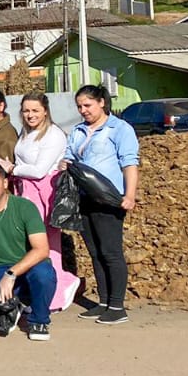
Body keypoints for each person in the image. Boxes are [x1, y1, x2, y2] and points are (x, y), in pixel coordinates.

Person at [0, 93, 80, 311]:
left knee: (48, 245)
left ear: (45, 111)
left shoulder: (53, 135)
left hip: (45, 194)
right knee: (31, 244)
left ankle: (61, 287)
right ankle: (41, 292)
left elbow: (40, 169)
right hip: (26, 192)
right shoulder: (27, 133)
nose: (30, 115)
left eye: (35, 110)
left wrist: (12, 169)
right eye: (26, 110)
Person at [64, 84, 140, 325]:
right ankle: (104, 301)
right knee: (95, 252)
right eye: (79, 106)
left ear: (101, 103)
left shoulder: (120, 129)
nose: (83, 110)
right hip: (85, 197)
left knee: (110, 251)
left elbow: (129, 163)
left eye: (87, 105)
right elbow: (70, 156)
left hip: (110, 198)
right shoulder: (78, 130)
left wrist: (129, 195)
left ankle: (118, 306)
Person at [0, 163, 56, 340]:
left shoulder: (25, 207)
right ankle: (12, 307)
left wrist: (11, 274)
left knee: (44, 274)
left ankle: (39, 320)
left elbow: (42, 250)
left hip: (30, 264)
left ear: (5, 183)